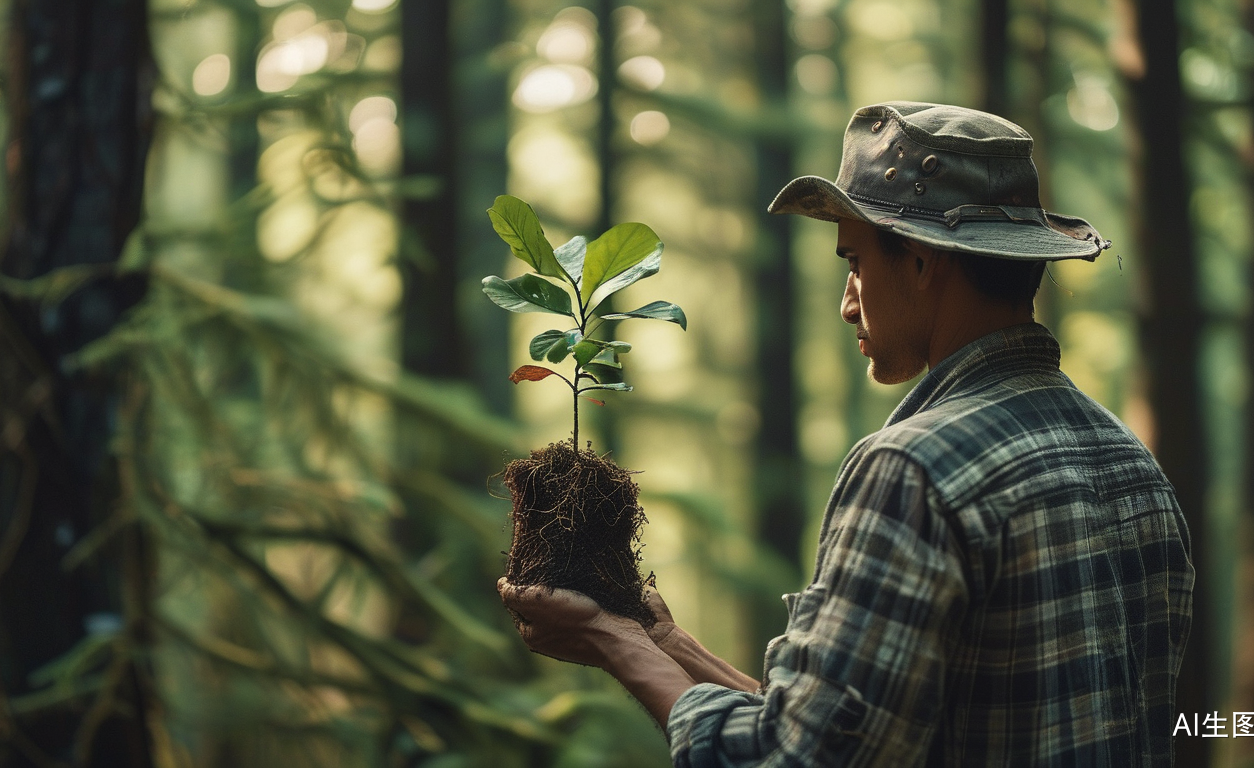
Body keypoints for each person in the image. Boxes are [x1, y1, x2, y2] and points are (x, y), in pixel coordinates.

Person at [498, 101, 1194, 766]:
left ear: (921, 260)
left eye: (855, 262)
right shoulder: (1130, 463)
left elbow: (791, 759)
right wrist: (665, 641)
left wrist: (610, 639)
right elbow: (849, 738)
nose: (846, 303)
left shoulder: (914, 471)